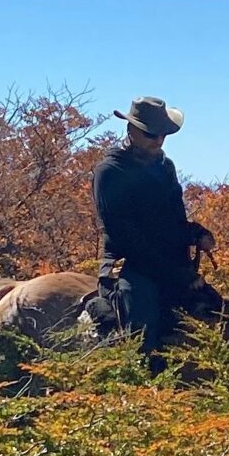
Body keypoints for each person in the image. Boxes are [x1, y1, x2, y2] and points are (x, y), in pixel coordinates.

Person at [91, 97, 220, 357]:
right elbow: (126, 238)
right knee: (143, 329)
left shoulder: (164, 167)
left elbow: (173, 222)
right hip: (131, 265)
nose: (159, 140)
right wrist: (179, 276)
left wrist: (196, 233)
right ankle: (139, 372)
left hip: (171, 264)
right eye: (151, 134)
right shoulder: (110, 172)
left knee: (217, 309)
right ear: (131, 130)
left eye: (163, 134)